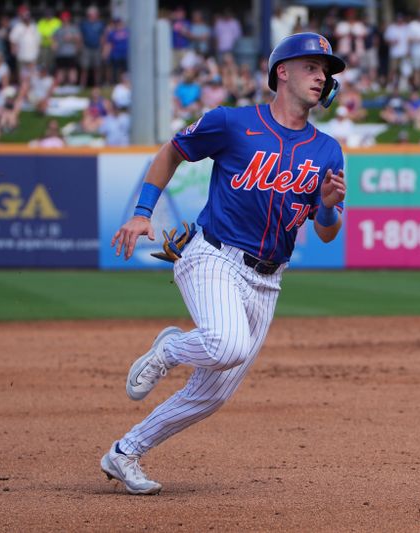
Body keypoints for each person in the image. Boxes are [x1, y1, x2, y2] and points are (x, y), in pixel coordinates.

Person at [101, 32, 347, 495]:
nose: (321, 77)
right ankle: (171, 349)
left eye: (325, 71)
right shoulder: (233, 123)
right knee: (227, 344)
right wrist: (141, 212)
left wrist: (330, 206)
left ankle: (123, 453)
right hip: (213, 255)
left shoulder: (327, 150)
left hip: (268, 280)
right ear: (283, 72)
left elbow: (327, 229)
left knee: (211, 394)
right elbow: (173, 150)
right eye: (312, 66)